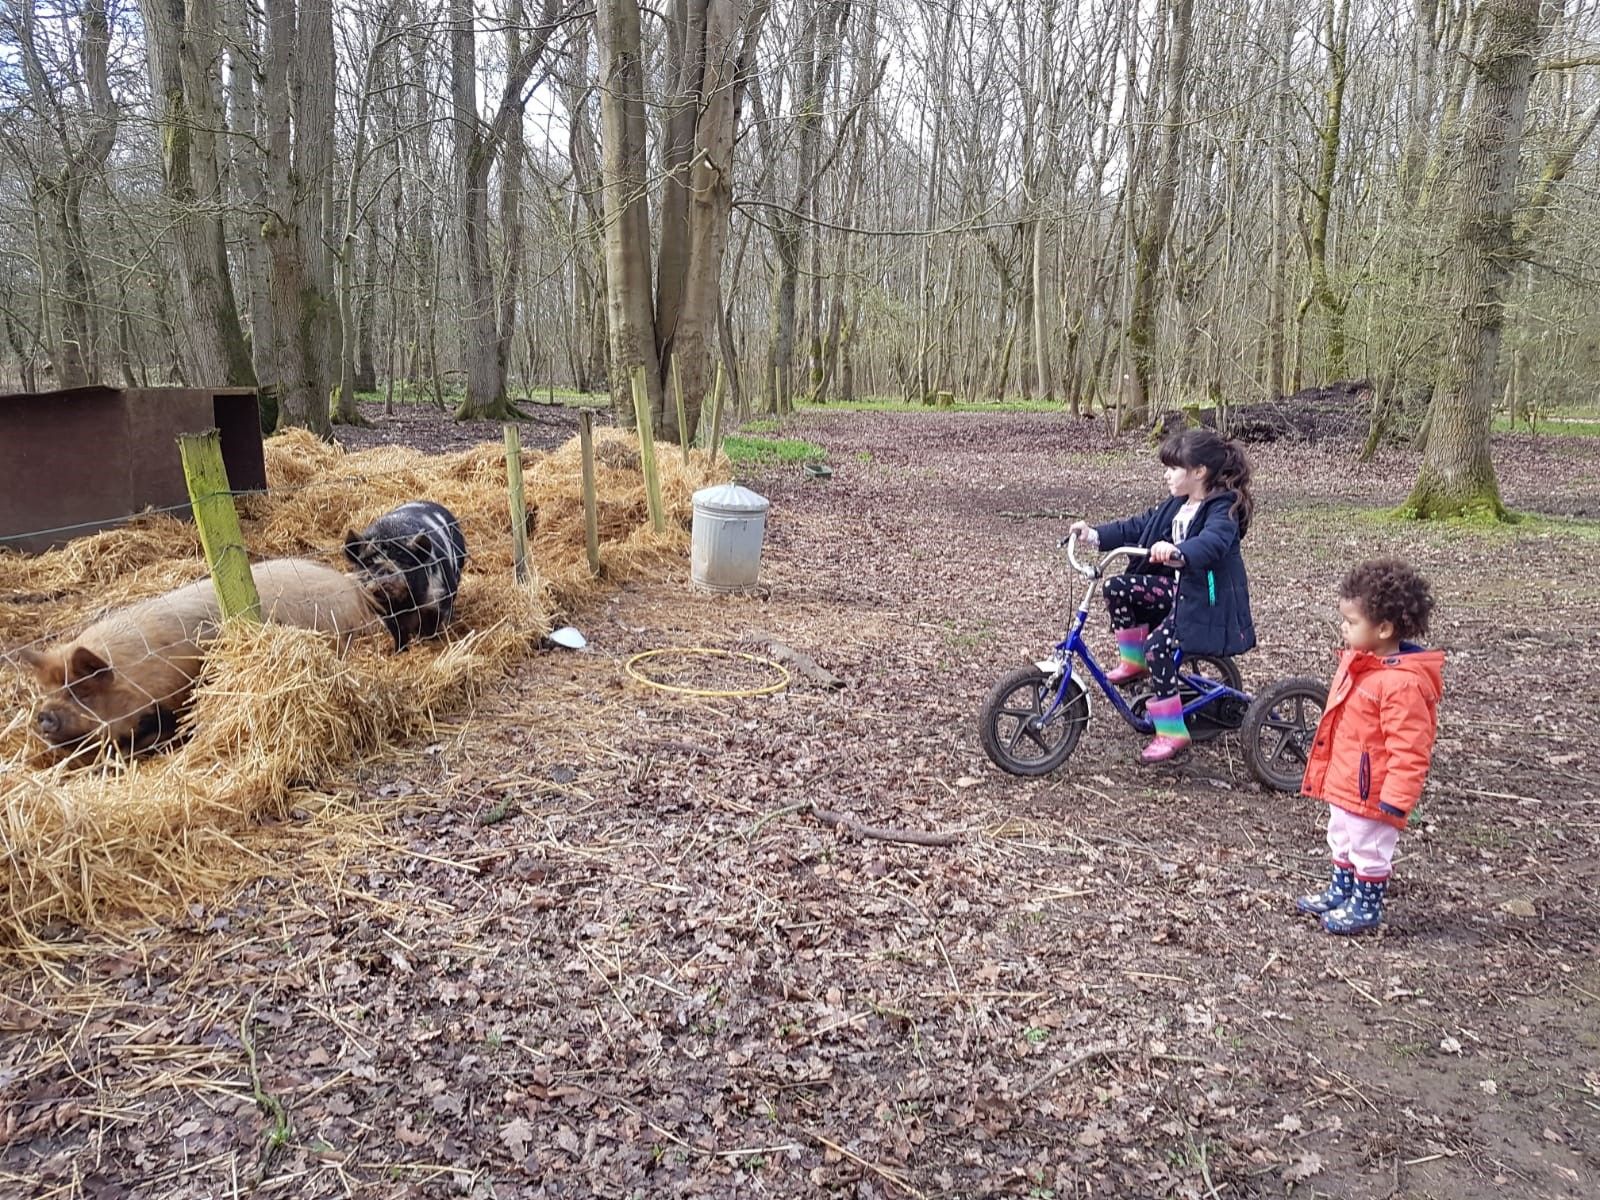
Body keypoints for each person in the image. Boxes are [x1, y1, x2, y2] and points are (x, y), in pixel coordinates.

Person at [1069, 428, 1256, 764]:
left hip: (1206, 602)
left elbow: (1212, 542)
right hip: (1179, 592)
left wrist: (1179, 552)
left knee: (1159, 645)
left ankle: (1171, 730)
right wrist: (1093, 535)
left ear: (1198, 472)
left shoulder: (1222, 509)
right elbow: (1136, 527)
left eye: (1173, 468)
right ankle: (1134, 662)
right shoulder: (1177, 505)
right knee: (1116, 588)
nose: (1167, 475)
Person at [1297, 560, 1443, 935]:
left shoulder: (1400, 684)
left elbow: (1410, 749)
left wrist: (1396, 798)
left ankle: (1366, 905)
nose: (1343, 628)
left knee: (1369, 847)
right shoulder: (1361, 665)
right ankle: (1341, 889)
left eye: (1351, 622)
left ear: (1383, 628)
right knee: (1342, 837)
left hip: (1374, 791)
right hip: (1347, 782)